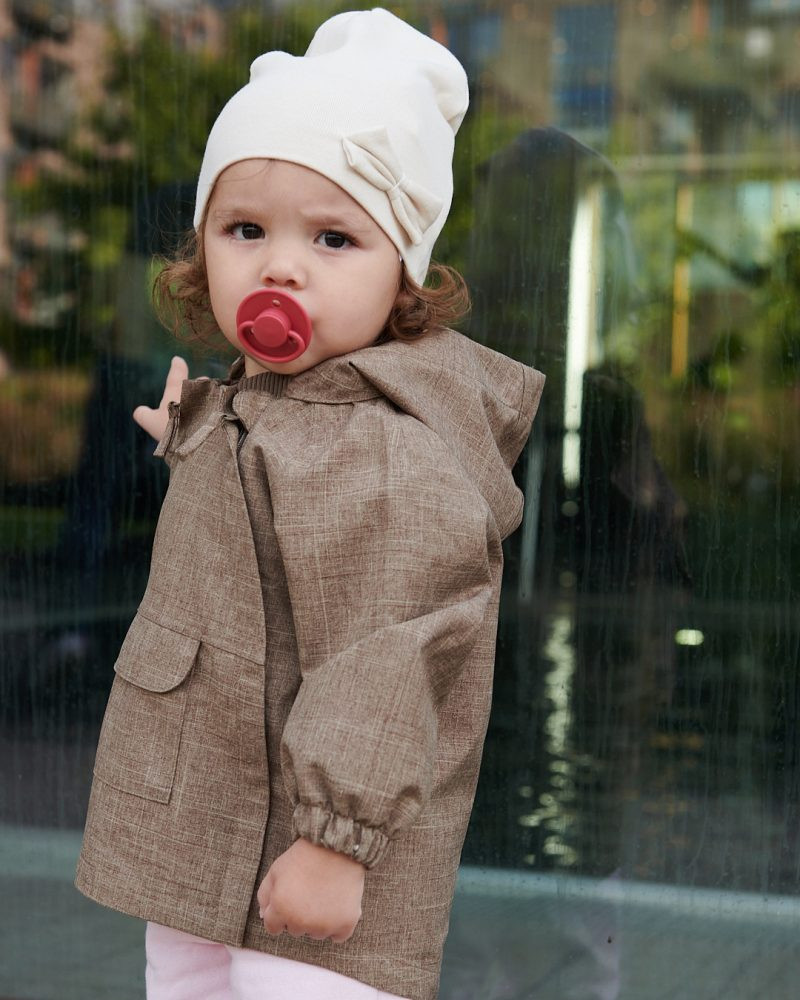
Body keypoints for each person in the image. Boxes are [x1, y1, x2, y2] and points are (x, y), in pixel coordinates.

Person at [75, 9, 545, 1000]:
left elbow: (392, 649)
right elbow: (261, 529)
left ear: (403, 276)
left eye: (334, 237)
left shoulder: (394, 451)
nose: (279, 265)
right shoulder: (265, 403)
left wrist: (336, 840)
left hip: (321, 860)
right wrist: (191, 439)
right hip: (208, 829)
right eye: (245, 229)